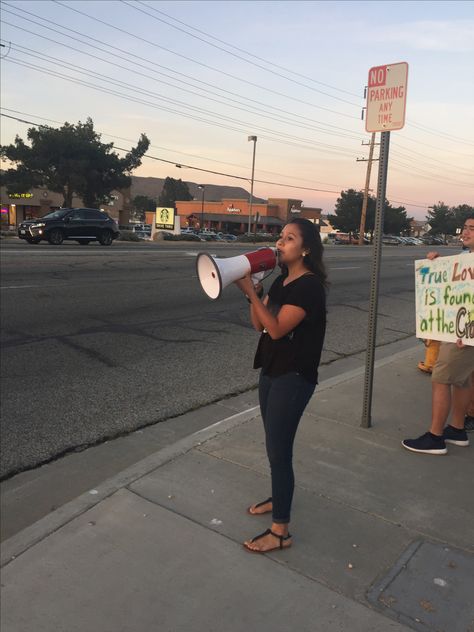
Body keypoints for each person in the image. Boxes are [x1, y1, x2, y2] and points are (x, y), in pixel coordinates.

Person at [234, 218, 327, 552]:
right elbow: (259, 324)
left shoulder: (309, 287)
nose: (281, 242)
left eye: (290, 238)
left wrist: (249, 291)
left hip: (295, 376)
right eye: (281, 237)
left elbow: (277, 329)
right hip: (272, 370)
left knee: (279, 448)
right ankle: (279, 496)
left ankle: (280, 532)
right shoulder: (282, 282)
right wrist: (255, 293)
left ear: (304, 249)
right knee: (275, 444)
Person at [402, 215, 474, 454]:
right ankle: (457, 429)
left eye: (472, 229)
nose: (465, 232)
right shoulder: (466, 258)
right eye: (465, 227)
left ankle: (435, 437)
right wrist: (437, 265)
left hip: (463, 335)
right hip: (456, 330)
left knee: (440, 379)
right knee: (462, 380)